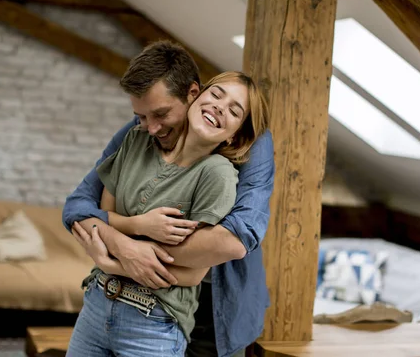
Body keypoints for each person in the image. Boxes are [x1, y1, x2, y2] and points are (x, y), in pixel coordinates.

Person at [62, 41, 275, 357]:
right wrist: (128, 245)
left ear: (191, 94)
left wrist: (114, 259)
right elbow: (80, 206)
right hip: (105, 299)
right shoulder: (141, 132)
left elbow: (235, 240)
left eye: (160, 114)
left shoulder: (245, 146)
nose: (151, 126)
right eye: (143, 116)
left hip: (211, 307)